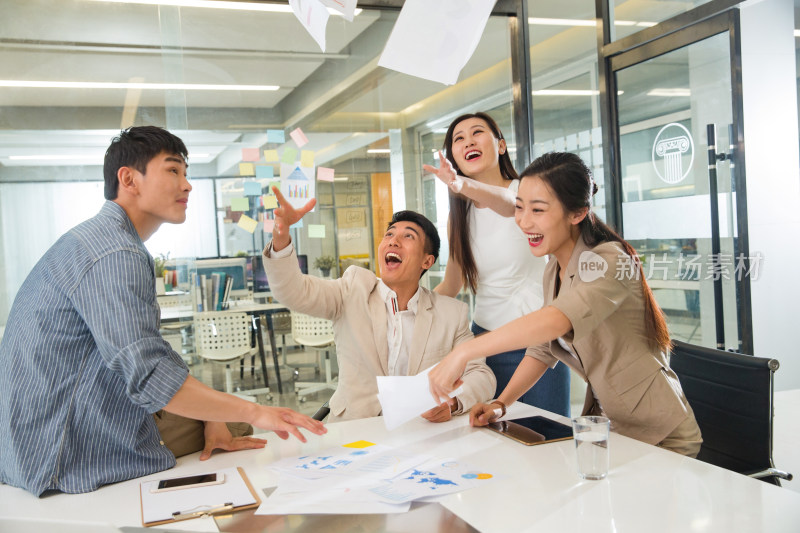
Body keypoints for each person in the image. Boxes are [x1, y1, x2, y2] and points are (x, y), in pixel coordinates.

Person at [0, 126, 325, 496]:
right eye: (173, 171)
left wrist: (209, 414)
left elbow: (150, 351)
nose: (187, 185)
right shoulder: (116, 253)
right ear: (129, 179)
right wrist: (255, 412)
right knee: (240, 424)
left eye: (186, 173)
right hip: (62, 449)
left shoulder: (101, 239)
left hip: (26, 438)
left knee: (221, 420)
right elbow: (147, 373)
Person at [429, 152, 702, 456]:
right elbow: (544, 348)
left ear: (577, 214)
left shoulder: (607, 260)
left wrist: (465, 350)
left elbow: (556, 320)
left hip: (660, 433)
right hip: (610, 427)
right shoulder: (554, 270)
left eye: (538, 210)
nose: (524, 221)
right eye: (519, 208)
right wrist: (500, 404)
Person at [262, 187, 495, 423]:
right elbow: (293, 291)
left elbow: (481, 374)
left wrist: (453, 402)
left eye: (408, 236)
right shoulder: (352, 290)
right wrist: (281, 238)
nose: (393, 241)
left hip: (419, 431)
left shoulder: (451, 313)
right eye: (389, 235)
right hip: (355, 429)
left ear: (427, 260)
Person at [423, 112, 570, 417]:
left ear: (501, 146)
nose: (468, 142)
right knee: (491, 441)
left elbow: (507, 204)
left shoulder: (526, 192)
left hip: (535, 344)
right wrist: (411, 308)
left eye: (477, 133)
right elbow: (452, 284)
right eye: (458, 139)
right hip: (484, 345)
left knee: (544, 440)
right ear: (454, 157)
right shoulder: (459, 216)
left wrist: (459, 184)